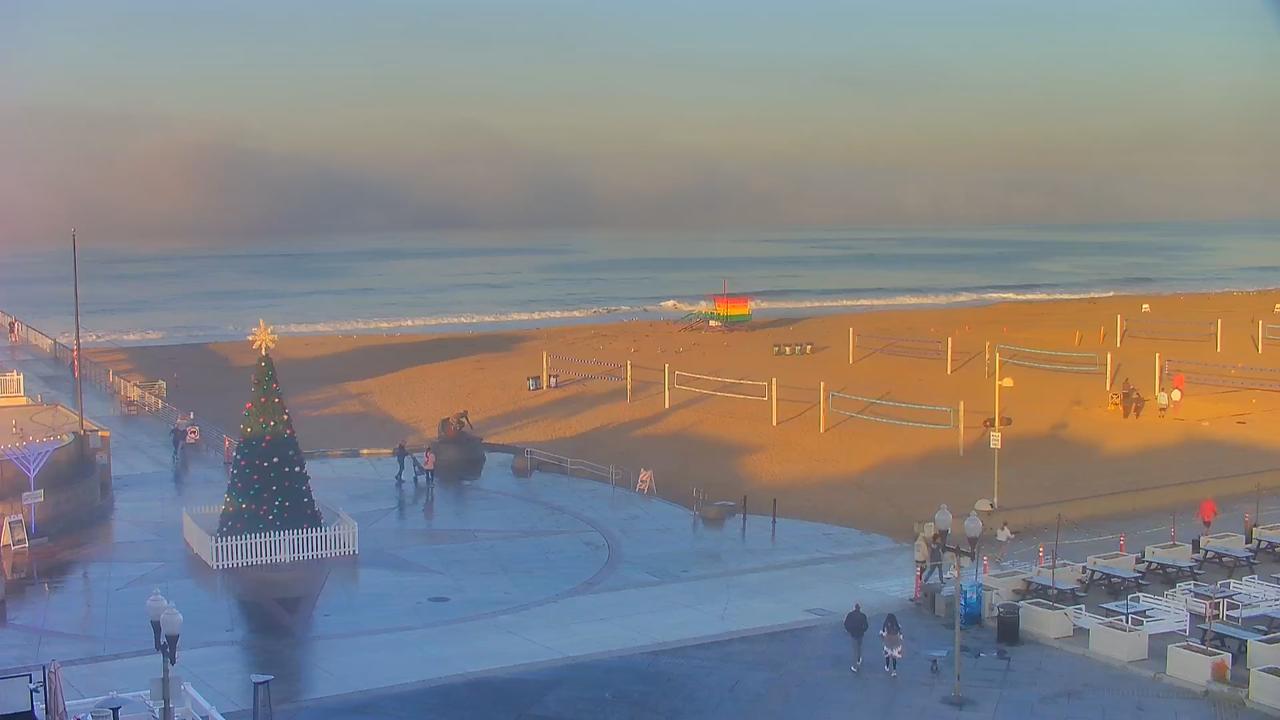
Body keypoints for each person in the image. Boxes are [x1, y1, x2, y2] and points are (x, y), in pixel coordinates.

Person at [844, 602, 869, 672]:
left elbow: (846, 624)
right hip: (860, 634)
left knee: (855, 649)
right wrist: (863, 631)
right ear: (859, 609)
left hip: (853, 634)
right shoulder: (863, 616)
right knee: (859, 647)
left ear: (854, 608)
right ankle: (859, 659)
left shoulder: (850, 615)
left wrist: (849, 630)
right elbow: (866, 625)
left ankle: (855, 666)